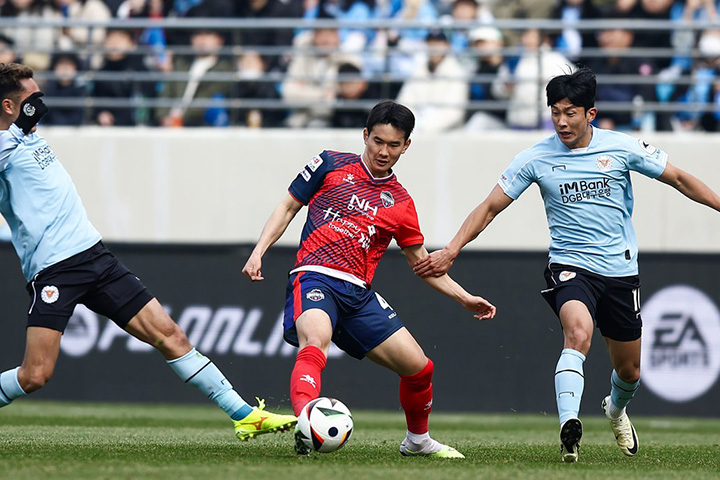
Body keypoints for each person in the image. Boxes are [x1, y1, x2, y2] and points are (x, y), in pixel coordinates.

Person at [413, 67, 720, 463]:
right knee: (577, 334)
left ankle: (615, 409)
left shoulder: (621, 147)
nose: (561, 121)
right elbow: (489, 207)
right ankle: (569, 427)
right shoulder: (535, 158)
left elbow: (678, 178)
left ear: (590, 114)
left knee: (630, 371)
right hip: (570, 266)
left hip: (620, 270)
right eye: (555, 112)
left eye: (570, 113)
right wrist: (452, 249)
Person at [0, 63, 297, 441]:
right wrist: (15, 130)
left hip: (94, 255)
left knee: (171, 335)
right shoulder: (6, 146)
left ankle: (244, 415)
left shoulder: (28, 137)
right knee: (35, 375)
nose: (41, 103)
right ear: (9, 106)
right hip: (55, 269)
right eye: (33, 98)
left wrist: (22, 126)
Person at [242, 100, 496, 458]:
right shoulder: (329, 163)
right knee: (315, 340)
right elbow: (288, 206)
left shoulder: (401, 202)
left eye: (394, 145)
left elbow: (421, 263)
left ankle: (417, 441)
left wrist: (464, 297)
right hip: (315, 276)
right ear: (365, 135)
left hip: (358, 295)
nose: (383, 151)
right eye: (377, 141)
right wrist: (259, 251)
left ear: (406, 145)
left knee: (419, 368)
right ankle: (306, 425)